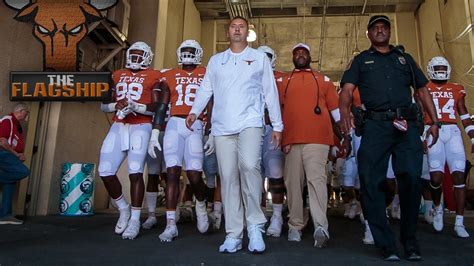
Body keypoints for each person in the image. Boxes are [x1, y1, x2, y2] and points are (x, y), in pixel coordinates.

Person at [339, 15, 440, 261]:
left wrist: (434, 121)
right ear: (369, 34)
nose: (381, 30)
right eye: (376, 28)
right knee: (371, 182)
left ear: (390, 32)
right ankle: (386, 243)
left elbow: (422, 90)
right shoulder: (361, 61)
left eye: (385, 27)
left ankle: (410, 241)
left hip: (407, 126)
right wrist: (344, 114)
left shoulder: (405, 59)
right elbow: (347, 90)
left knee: (412, 179)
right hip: (375, 126)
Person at [185, 16, 283, 254]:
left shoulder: (259, 58)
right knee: (228, 178)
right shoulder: (216, 61)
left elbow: (270, 92)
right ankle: (234, 234)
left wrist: (278, 125)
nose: (237, 30)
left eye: (242, 27)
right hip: (222, 128)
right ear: (227, 32)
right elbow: (206, 89)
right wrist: (194, 112)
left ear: (247, 32)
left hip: (250, 123)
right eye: (233, 27)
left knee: (250, 167)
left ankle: (256, 227)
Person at [148, 39, 210, 241]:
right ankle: (170, 223)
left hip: (196, 124)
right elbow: (162, 105)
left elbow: (213, 103)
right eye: (185, 50)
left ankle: (200, 205)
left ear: (199, 53)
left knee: (194, 175)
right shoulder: (170, 75)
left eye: (192, 51)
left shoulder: (206, 72)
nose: (188, 54)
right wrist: (155, 132)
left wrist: (212, 131)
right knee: (172, 173)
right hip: (174, 124)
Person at [280, 43, 341, 248]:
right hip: (291, 140)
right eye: (296, 53)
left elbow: (335, 112)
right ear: (292, 58)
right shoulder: (284, 81)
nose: (300, 55)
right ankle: (295, 226)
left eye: (304, 52)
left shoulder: (323, 80)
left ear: (310, 56)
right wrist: (281, 138)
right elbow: (275, 109)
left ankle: (320, 226)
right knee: (293, 184)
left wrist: (344, 136)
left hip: (318, 139)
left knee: (317, 182)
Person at [98, 41, 160, 240]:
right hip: (119, 124)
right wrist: (118, 104)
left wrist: (136, 105)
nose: (135, 58)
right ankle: (123, 208)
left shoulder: (155, 76)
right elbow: (103, 105)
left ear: (148, 56)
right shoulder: (116, 74)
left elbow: (157, 107)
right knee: (105, 170)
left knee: (135, 171)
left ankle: (134, 219)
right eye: (133, 54)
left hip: (141, 125)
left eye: (140, 54)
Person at [424, 56, 472, 238]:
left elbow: (464, 114)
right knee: (436, 177)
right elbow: (421, 113)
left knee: (459, 175)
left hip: (452, 131)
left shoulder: (456, 88)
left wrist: (473, 137)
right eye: (438, 67)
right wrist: (421, 135)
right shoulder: (424, 88)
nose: (441, 70)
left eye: (443, 67)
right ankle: (438, 208)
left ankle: (459, 222)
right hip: (432, 129)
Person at [257, 45, 286, 237]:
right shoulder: (248, 75)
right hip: (252, 128)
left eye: (267, 57)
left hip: (273, 129)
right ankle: (257, 215)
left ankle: (276, 216)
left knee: (275, 172)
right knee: (253, 174)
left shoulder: (281, 78)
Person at [0, 103, 30, 225]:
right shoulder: (8, 120)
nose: (27, 115)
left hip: (9, 155)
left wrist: (19, 154)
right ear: (21, 111)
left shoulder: (18, 126)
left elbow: (11, 143)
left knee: (10, 181)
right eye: (26, 112)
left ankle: (5, 215)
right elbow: (2, 142)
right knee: (23, 171)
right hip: (3, 154)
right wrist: (16, 154)